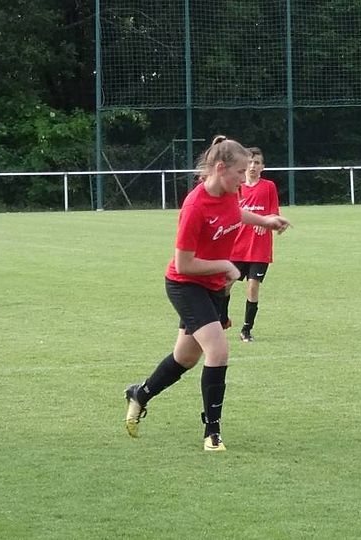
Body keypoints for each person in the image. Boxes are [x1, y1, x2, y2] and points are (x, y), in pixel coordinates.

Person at [123, 135, 290, 452]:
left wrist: (266, 221)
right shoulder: (194, 206)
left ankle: (140, 393)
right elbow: (183, 264)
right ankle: (212, 432)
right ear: (220, 168)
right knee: (218, 350)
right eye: (240, 172)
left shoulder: (229, 193)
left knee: (185, 357)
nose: (244, 178)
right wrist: (226, 264)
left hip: (212, 286)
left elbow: (235, 213)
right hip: (186, 284)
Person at [224, 147, 282, 343]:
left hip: (259, 248)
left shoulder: (268, 187)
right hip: (236, 247)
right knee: (226, 284)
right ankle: (222, 317)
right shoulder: (236, 187)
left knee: (253, 286)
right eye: (249, 162)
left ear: (262, 166)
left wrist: (265, 222)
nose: (252, 166)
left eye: (257, 163)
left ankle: (246, 329)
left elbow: (274, 213)